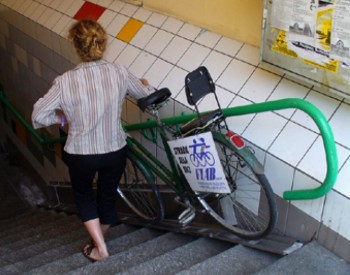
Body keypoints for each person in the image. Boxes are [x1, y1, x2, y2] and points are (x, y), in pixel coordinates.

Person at [32, 19, 153, 262]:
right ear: (103, 43)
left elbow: (37, 116)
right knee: (107, 196)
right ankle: (99, 242)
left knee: (84, 196)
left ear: (76, 47)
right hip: (114, 150)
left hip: (80, 154)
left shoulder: (64, 81)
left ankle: (99, 246)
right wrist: (143, 85)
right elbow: (145, 96)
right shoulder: (119, 71)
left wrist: (63, 119)